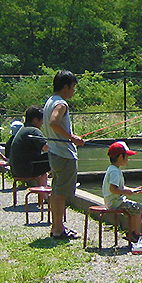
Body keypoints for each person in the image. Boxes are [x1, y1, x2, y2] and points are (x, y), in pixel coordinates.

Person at [43, 70, 84, 240]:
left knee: (56, 191)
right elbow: (54, 122)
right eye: (73, 87)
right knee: (60, 193)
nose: (74, 91)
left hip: (54, 152)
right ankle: (58, 229)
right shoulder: (61, 104)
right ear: (65, 86)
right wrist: (72, 137)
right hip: (64, 154)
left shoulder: (49, 101)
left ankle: (57, 227)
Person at [102, 141, 142, 244]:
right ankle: (135, 235)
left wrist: (133, 190)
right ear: (121, 157)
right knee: (139, 208)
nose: (128, 159)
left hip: (113, 201)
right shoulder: (115, 172)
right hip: (115, 203)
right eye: (127, 157)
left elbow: (118, 187)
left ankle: (132, 232)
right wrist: (126, 192)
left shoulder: (112, 169)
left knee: (134, 209)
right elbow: (113, 189)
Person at [9, 106, 50, 189]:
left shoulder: (23, 129)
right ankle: (62, 183)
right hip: (27, 170)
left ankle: (45, 194)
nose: (43, 123)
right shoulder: (33, 130)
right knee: (57, 155)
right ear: (35, 120)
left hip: (16, 170)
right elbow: (47, 148)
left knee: (48, 160)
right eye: (42, 120)